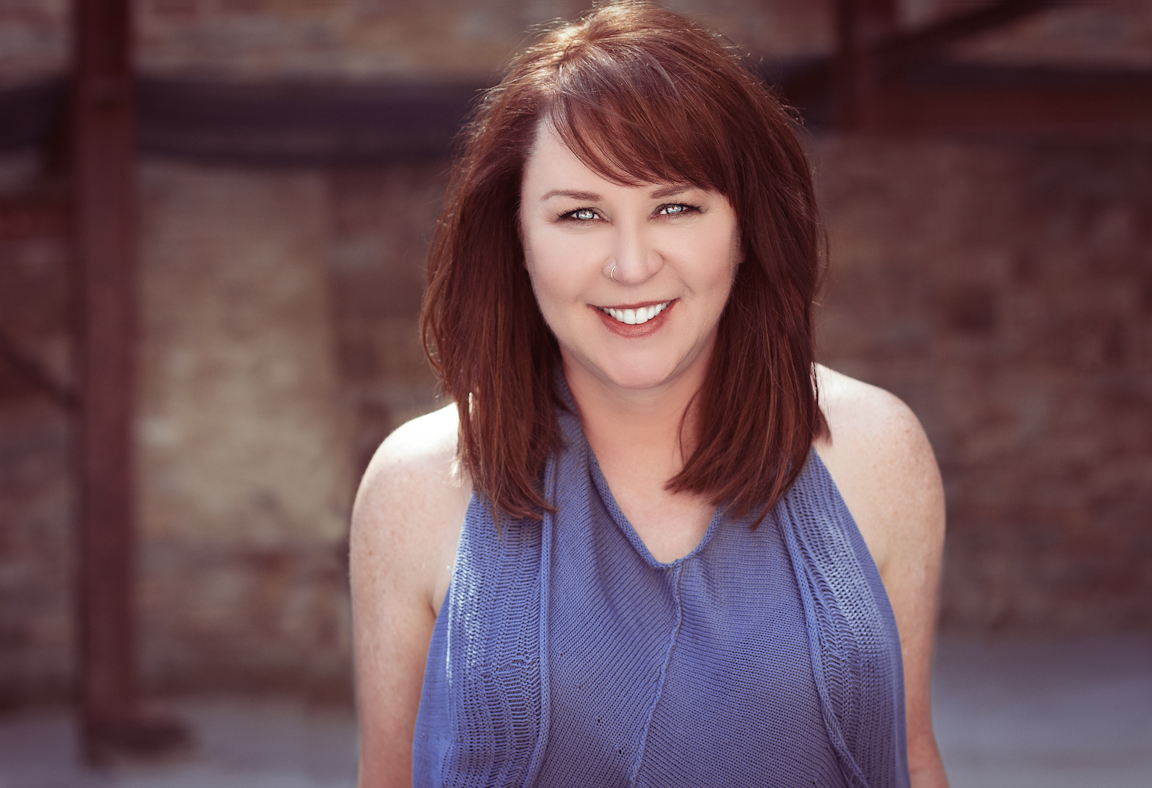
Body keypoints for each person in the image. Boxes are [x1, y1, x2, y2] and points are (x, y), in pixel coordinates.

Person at [350, 2, 948, 786]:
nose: (631, 265)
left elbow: (908, 758)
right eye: (580, 214)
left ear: (744, 229)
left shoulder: (878, 450)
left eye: (675, 207)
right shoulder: (416, 485)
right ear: (517, 238)